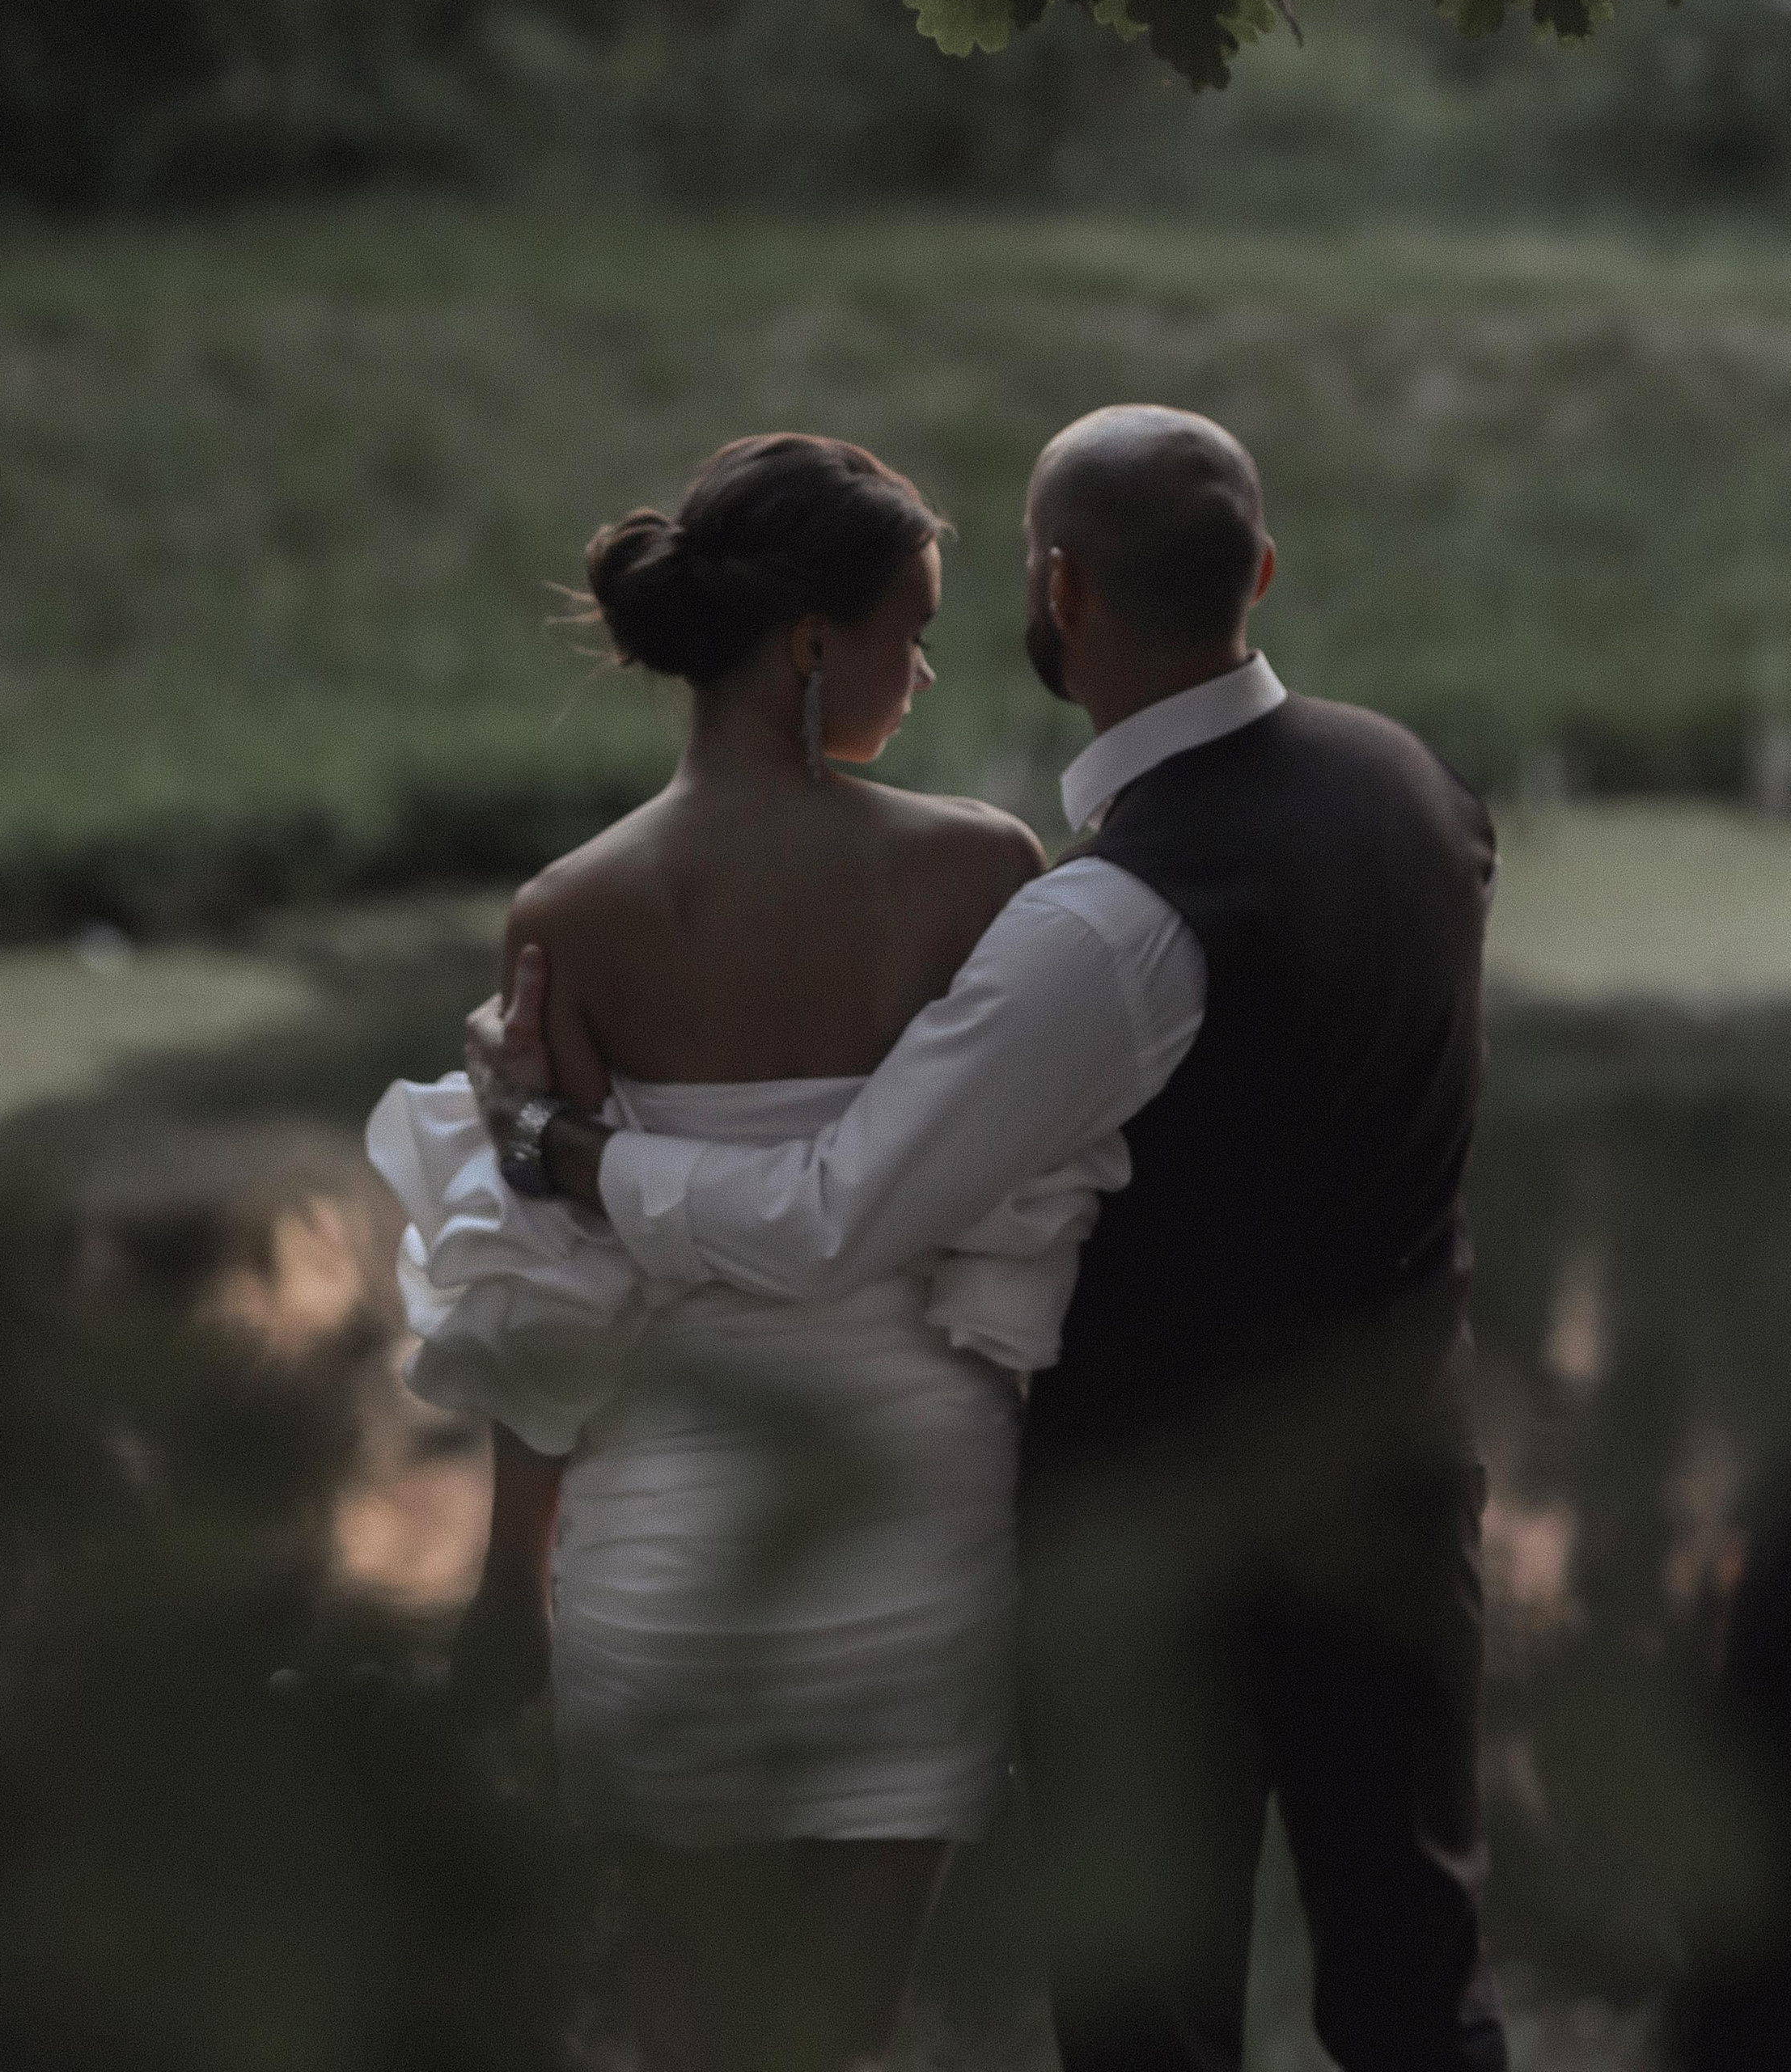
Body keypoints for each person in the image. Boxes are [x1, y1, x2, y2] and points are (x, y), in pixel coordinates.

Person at [471, 404, 1509, 2072]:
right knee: (1416, 1996)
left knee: (1146, 2025)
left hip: (1155, 1553)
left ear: (1057, 589)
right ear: (1255, 568)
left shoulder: (1105, 922)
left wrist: (563, 1150)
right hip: (1395, 1494)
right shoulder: (1413, 786)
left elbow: (823, 1215)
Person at [369, 431, 1110, 2072]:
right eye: (906, 630)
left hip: (663, 1531)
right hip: (916, 1513)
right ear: (803, 645)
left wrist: (512, 1594)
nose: (921, 672)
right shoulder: (979, 869)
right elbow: (1045, 1215)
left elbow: (546, 1282)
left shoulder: (570, 909)